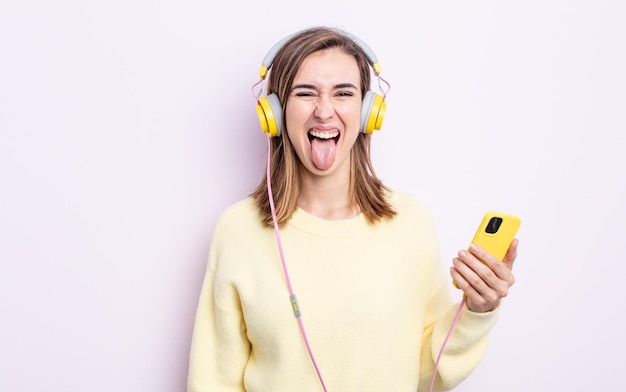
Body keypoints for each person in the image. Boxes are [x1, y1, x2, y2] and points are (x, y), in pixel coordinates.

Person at [187, 26, 519, 392]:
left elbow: (428, 370)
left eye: (343, 93)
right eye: (305, 93)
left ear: (367, 111)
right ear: (276, 113)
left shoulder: (410, 223)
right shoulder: (238, 229)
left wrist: (478, 310)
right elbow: (212, 381)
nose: (324, 111)